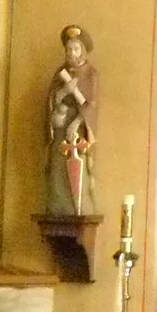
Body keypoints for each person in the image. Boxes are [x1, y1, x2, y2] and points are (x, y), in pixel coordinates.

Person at [44, 25, 98, 216]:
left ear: (82, 51)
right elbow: (51, 99)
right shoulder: (60, 74)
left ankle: (80, 206)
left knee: (78, 169)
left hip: (78, 132)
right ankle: (58, 206)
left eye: (75, 49)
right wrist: (64, 92)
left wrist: (76, 123)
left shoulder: (90, 74)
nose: (71, 53)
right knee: (58, 168)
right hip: (60, 129)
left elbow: (90, 103)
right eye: (68, 49)